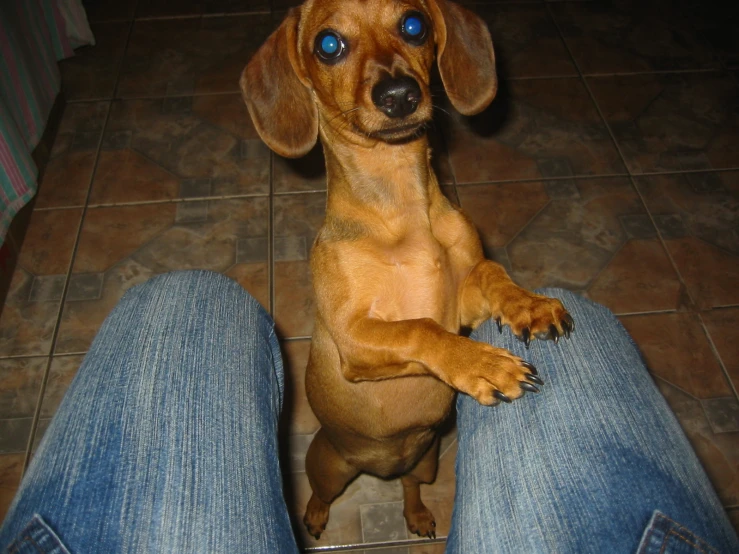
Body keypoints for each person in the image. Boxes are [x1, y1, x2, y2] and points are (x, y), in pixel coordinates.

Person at [1, 271, 736, 553]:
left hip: (417, 438)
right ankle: (320, 504)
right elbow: (353, 354)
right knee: (572, 321)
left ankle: (413, 496)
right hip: (350, 443)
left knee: (182, 304)